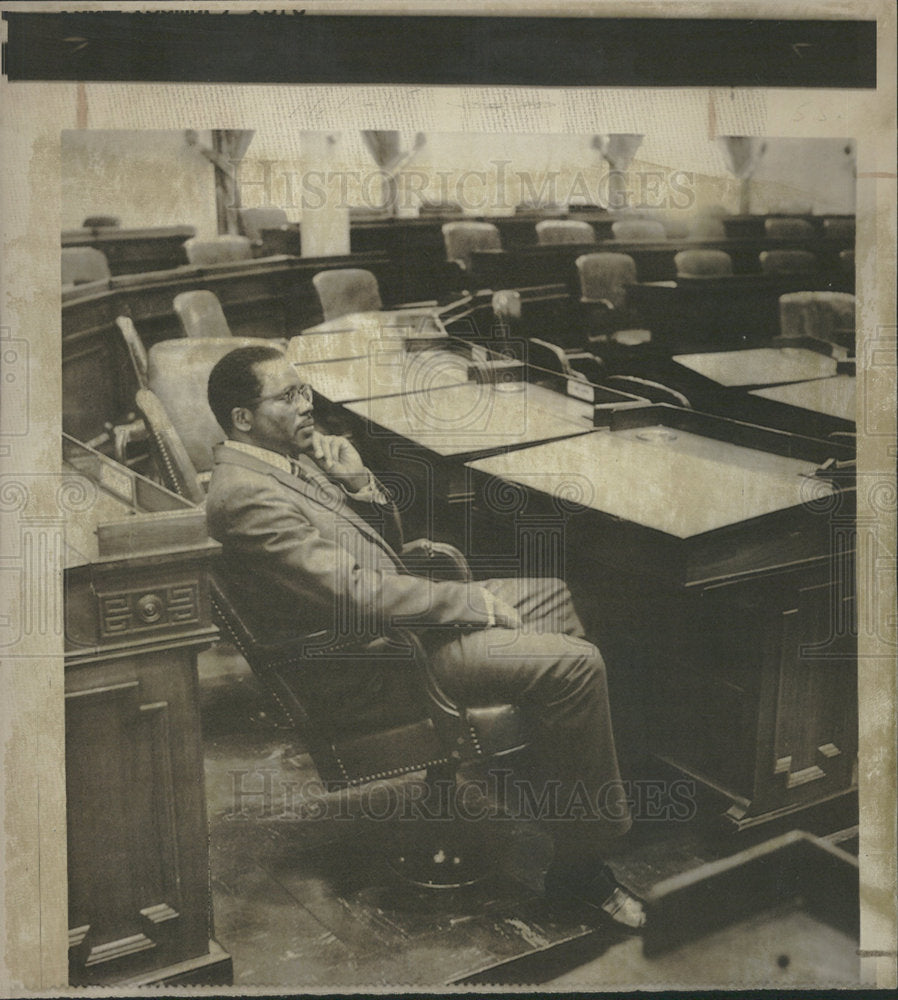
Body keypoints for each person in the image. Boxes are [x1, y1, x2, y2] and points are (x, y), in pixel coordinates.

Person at [205, 344, 644, 931]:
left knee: (554, 594)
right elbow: (355, 591)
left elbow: (381, 549)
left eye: (304, 389)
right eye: (288, 397)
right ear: (242, 417)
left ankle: (552, 785)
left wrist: (359, 484)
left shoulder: (283, 457)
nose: (307, 404)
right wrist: (469, 605)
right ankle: (581, 867)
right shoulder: (244, 494)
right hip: (377, 660)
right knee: (577, 665)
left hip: (398, 628)